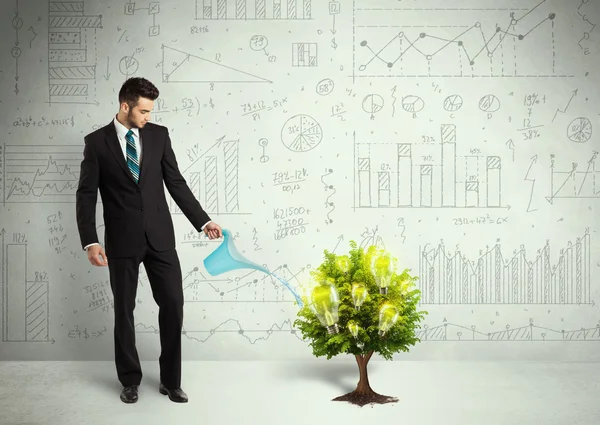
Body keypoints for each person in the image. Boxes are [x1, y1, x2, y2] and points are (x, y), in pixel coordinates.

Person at [75, 77, 223, 404]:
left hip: (160, 237)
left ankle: (171, 381)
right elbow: (86, 196)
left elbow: (176, 182)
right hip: (121, 240)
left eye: (150, 111)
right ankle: (129, 381)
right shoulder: (96, 143)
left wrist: (204, 221)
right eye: (143, 110)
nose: (147, 117)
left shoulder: (159, 135)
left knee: (173, 304)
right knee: (124, 312)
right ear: (125, 105)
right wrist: (91, 241)